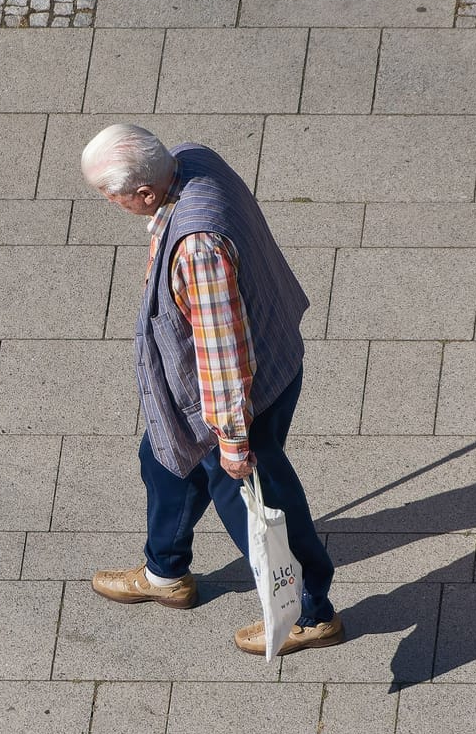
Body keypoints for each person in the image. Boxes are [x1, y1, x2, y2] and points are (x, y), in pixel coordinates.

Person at [80, 123, 342, 657]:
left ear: (147, 192)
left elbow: (222, 352)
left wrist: (232, 443)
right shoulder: (192, 157)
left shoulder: (198, 248)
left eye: (113, 196)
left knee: (260, 505)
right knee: (163, 460)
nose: (113, 204)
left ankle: (312, 612)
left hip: (238, 398)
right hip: (265, 357)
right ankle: (165, 571)